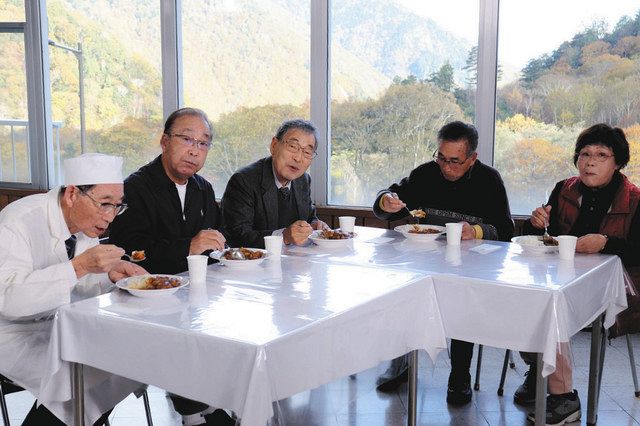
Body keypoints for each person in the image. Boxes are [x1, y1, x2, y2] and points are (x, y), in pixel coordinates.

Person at [372, 121, 514, 404]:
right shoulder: (425, 174)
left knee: (464, 299)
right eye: (441, 158)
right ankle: (401, 364)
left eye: (454, 161)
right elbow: (389, 202)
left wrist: (474, 231)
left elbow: (506, 229)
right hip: (423, 261)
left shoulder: (489, 181)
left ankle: (460, 374)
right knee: (402, 291)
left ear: (472, 158)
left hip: (468, 265)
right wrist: (385, 202)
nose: (446, 167)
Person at [0, 153, 148, 425]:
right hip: (12, 332)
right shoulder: (17, 221)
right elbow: (8, 299)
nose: (110, 217)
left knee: (127, 358)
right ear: (71, 195)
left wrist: (110, 276)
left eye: (117, 206)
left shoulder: (83, 225)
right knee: (77, 373)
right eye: (104, 204)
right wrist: (79, 266)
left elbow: (81, 285)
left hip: (60, 323)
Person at [108, 107, 233, 426]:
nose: (195, 149)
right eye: (187, 139)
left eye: (204, 143)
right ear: (164, 141)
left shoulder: (203, 189)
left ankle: (213, 402)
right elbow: (130, 251)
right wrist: (188, 247)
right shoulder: (135, 187)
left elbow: (216, 241)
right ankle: (194, 413)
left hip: (196, 294)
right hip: (146, 300)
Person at [516, 123, 640, 425]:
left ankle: (563, 398)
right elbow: (545, 236)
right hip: (562, 275)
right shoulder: (564, 188)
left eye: (601, 155)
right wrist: (535, 223)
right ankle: (539, 366)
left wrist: (607, 243)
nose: (590, 161)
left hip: (615, 286)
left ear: (618, 162)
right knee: (527, 294)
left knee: (551, 305)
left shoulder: (635, 199)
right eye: (584, 154)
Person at [221, 119, 328, 248]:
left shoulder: (303, 180)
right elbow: (237, 236)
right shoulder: (244, 181)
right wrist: (284, 237)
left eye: (307, 152)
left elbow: (310, 218)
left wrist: (314, 226)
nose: (298, 158)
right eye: (293, 146)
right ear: (274, 145)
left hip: (295, 262)